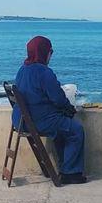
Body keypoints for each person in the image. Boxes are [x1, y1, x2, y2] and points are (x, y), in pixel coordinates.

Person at [13, 36, 87, 184]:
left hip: (20, 119)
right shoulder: (43, 72)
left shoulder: (23, 69)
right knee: (76, 130)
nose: (50, 55)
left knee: (63, 130)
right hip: (37, 121)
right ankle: (71, 172)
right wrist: (69, 109)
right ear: (43, 52)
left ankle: (65, 168)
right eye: (50, 51)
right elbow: (58, 98)